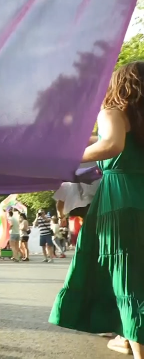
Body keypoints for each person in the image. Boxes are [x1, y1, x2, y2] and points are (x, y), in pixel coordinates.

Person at [50, 62, 144, 358]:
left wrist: (70, 158)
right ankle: (126, 338)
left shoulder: (113, 112)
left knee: (129, 283)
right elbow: (105, 140)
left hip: (120, 203)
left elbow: (111, 144)